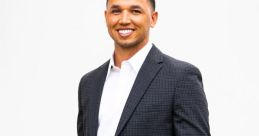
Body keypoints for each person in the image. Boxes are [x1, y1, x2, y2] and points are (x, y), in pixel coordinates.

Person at [77, 0, 210, 135]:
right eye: (116, 11)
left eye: (135, 11)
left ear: (153, 18)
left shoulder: (181, 78)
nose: (124, 20)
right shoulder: (89, 83)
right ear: (106, 17)